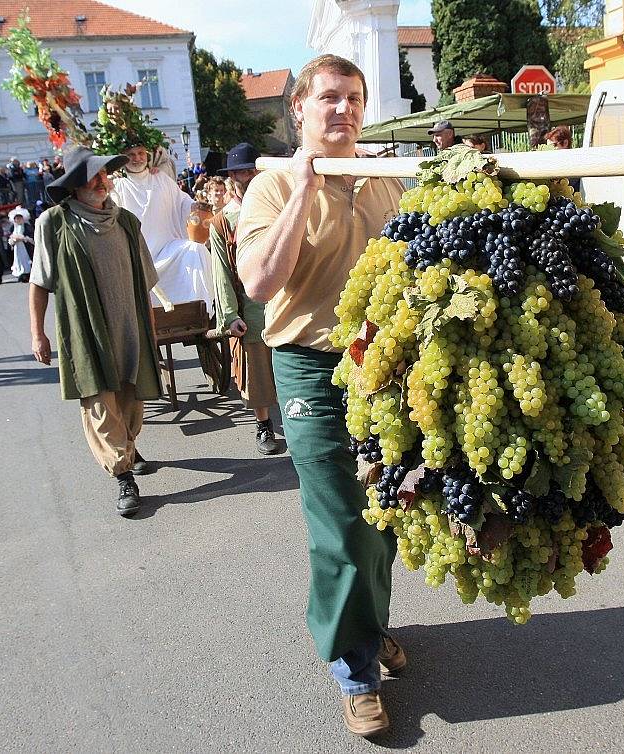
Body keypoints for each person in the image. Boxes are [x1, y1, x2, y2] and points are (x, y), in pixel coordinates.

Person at [237, 54, 405, 737]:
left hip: (382, 367)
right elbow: (258, 283)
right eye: (330, 98)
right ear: (299, 109)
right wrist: (305, 189)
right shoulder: (271, 186)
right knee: (340, 520)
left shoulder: (385, 177)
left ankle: (371, 624)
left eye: (355, 99)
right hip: (309, 368)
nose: (344, 110)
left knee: (385, 511)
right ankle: (354, 667)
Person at [29, 146, 161, 516]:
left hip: (130, 326)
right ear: (74, 186)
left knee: (133, 399)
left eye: (104, 174)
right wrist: (38, 333)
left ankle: (128, 448)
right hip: (86, 332)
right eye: (92, 176)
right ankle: (123, 477)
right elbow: (39, 283)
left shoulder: (127, 223)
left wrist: (150, 330)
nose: (101, 181)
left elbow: (144, 284)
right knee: (100, 403)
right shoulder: (53, 224)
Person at [210, 142, 279, 455]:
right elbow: (221, 271)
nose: (246, 175)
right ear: (230, 176)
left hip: (283, 298)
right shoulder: (223, 221)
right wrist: (228, 314)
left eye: (251, 169)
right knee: (257, 372)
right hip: (249, 304)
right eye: (239, 170)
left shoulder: (276, 204)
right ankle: (264, 424)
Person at [109, 143, 213, 308]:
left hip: (168, 247)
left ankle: (202, 309)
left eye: (140, 153)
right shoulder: (118, 186)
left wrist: (195, 206)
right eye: (131, 154)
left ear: (148, 155)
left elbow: (183, 202)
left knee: (196, 251)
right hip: (138, 255)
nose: (137, 158)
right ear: (122, 158)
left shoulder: (161, 178)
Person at [7, 207, 33, 282]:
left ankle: (28, 273)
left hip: (25, 246)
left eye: (20, 218)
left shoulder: (27, 226)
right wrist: (13, 240)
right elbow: (10, 237)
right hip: (17, 247)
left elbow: (31, 236)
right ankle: (21, 273)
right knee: (19, 260)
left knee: (27, 259)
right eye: (16, 219)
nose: (18, 220)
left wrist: (23, 238)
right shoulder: (13, 228)